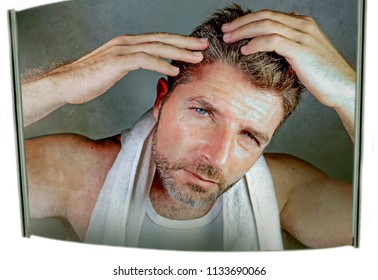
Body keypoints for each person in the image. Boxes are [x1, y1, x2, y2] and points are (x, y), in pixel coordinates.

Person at [23, 4, 355, 250]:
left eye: (250, 135)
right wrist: (58, 84)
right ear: (161, 100)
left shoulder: (284, 189)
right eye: (202, 111)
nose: (217, 158)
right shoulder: (78, 173)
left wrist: (353, 95)